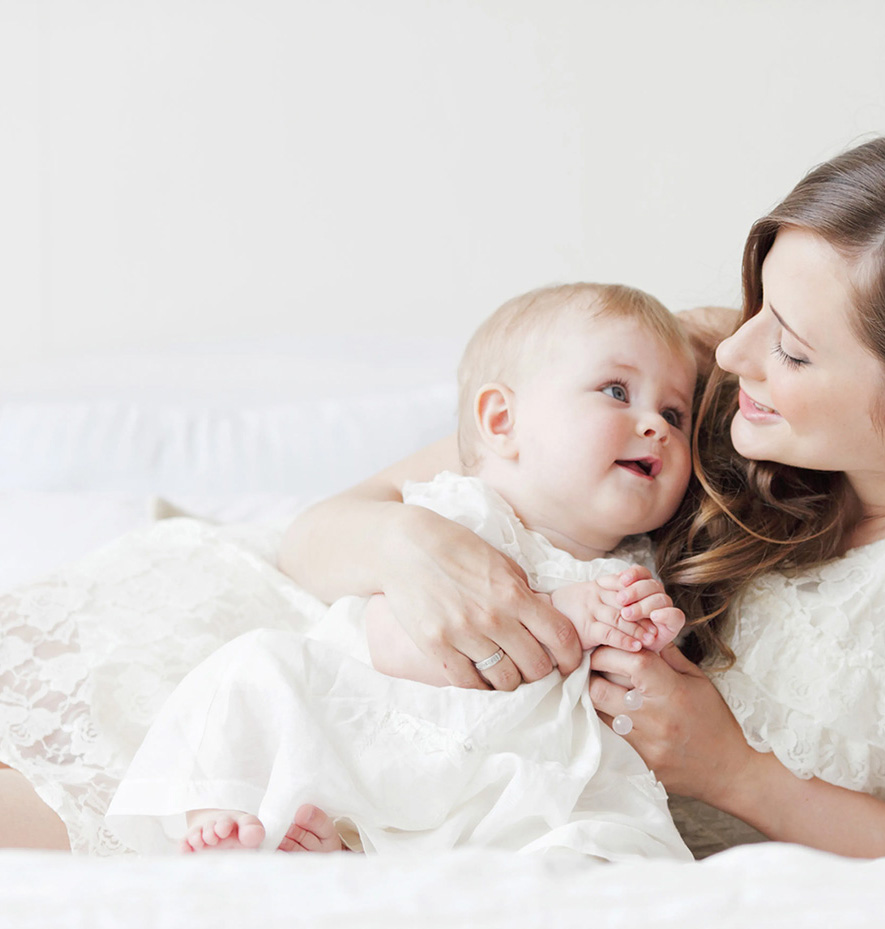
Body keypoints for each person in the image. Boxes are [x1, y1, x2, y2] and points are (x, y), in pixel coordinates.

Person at [278, 133, 885, 855]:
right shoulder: (680, 385)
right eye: (760, 303)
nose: (732, 350)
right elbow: (315, 534)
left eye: (792, 350)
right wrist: (415, 550)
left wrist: (739, 775)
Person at [96, 282, 698, 860]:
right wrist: (563, 613)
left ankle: (406, 872)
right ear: (501, 421)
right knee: (252, 668)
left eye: (675, 413)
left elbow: (636, 709)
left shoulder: (639, 564)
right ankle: (235, 813)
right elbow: (391, 640)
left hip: (511, 786)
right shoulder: (459, 514)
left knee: (609, 831)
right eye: (616, 391)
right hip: (385, 740)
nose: (657, 426)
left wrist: (644, 636)